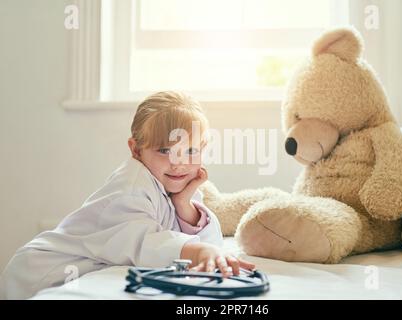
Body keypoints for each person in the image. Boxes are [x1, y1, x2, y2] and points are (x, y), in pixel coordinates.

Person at [0, 91, 254, 299]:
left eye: (189, 151)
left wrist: (184, 204)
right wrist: (197, 252)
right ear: (136, 149)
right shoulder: (129, 190)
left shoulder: (174, 185)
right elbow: (145, 243)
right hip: (42, 273)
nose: (178, 163)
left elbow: (210, 243)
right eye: (164, 150)